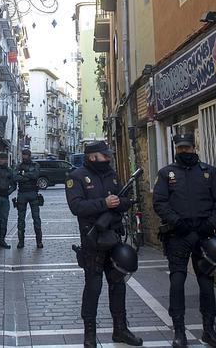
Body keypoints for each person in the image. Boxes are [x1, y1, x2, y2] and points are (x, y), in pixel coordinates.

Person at [153, 133, 216, 348]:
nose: (184, 152)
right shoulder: (166, 173)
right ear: (176, 149)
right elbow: (159, 203)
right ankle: (179, 331)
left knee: (206, 284)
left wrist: (210, 223)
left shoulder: (208, 172)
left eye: (187, 148)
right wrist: (178, 223)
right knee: (177, 282)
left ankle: (209, 330)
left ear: (195, 148)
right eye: (180, 149)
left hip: (205, 235)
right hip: (178, 235)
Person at [65, 141, 143, 348]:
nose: (108, 158)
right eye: (104, 155)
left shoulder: (112, 175)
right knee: (93, 287)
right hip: (93, 241)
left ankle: (121, 330)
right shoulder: (77, 177)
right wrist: (104, 204)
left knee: (118, 285)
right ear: (92, 156)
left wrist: (119, 203)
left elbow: (126, 200)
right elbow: (76, 206)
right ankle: (89, 334)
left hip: (114, 238)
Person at [14, 149, 43, 249]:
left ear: (30, 156)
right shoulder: (18, 166)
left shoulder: (35, 165)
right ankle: (21, 241)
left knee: (36, 218)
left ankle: (39, 241)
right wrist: (28, 176)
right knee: (21, 219)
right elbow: (15, 177)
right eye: (23, 155)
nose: (24, 157)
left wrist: (23, 174)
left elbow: (35, 175)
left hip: (33, 193)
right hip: (22, 194)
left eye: (26, 155)